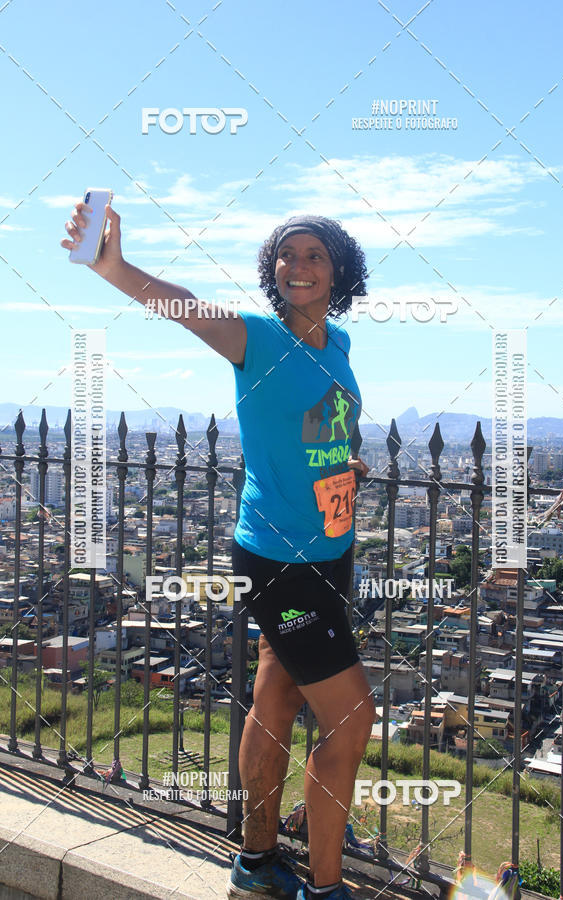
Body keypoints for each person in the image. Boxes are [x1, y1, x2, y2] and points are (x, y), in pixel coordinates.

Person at [61, 204, 376, 900]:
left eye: (314, 254)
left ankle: (257, 862)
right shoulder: (257, 339)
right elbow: (177, 306)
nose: (297, 265)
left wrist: (346, 465)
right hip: (279, 559)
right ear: (272, 271)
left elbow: (330, 430)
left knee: (277, 693)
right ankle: (327, 888)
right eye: (285, 255)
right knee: (352, 720)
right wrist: (112, 265)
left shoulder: (340, 347)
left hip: (332, 549)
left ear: (339, 271)